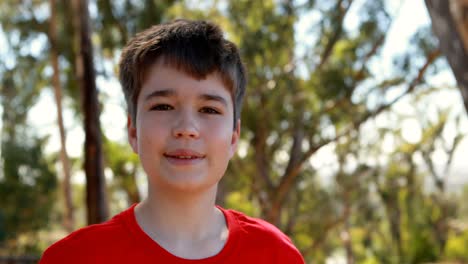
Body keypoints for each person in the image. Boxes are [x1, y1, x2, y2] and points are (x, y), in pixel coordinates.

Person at [40, 19, 305, 263]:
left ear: (234, 137)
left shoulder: (276, 254)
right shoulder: (74, 257)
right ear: (133, 131)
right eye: (164, 106)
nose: (186, 129)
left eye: (209, 110)